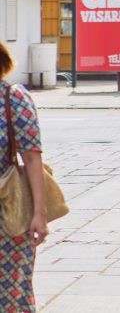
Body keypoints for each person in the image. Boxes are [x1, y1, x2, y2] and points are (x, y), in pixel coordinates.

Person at [0, 41, 47, 312]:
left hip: (8, 213)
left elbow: (32, 157)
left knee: (12, 295)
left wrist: (38, 213)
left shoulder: (13, 97)